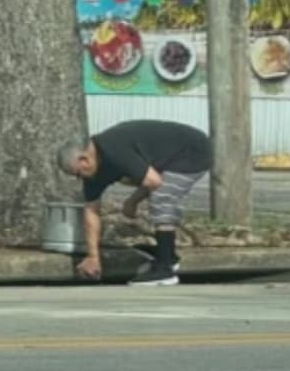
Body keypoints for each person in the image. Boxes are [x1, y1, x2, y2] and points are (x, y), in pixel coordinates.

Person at [57, 120, 212, 287]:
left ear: (84, 159)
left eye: (78, 173)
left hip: (193, 150)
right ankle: (167, 256)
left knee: (162, 196)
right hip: (164, 158)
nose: (80, 178)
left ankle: (165, 269)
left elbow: (153, 181)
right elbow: (91, 212)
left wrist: (133, 201)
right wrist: (93, 257)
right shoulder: (93, 173)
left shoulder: (114, 149)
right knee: (158, 191)